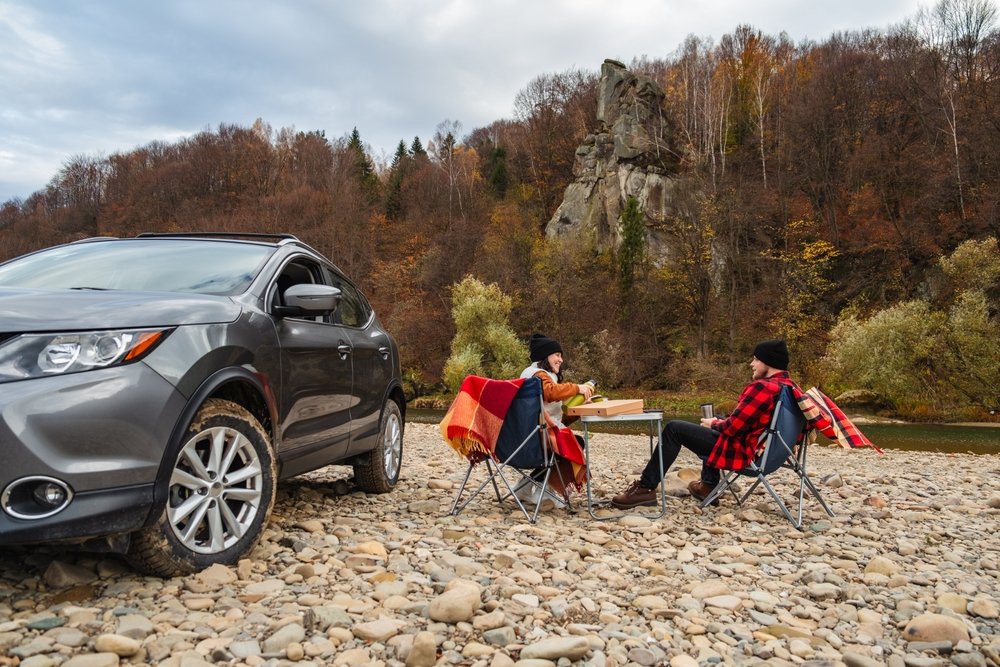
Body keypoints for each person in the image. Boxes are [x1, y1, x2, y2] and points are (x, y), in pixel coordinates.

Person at [611, 339, 795, 509]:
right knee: (714, 421)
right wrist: (717, 422)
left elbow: (732, 429)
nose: (752, 364)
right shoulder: (789, 388)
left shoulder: (763, 387)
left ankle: (645, 488)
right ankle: (707, 485)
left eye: (756, 359)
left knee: (674, 429)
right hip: (769, 454)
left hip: (744, 452)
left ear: (768, 362)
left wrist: (715, 424)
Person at [520, 333, 594, 427]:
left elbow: (560, 421)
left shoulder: (543, 375)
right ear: (545, 355)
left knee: (579, 441)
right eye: (557, 355)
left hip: (543, 432)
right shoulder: (537, 374)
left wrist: (579, 409)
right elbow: (550, 391)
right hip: (539, 435)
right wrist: (577, 388)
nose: (561, 360)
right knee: (579, 441)